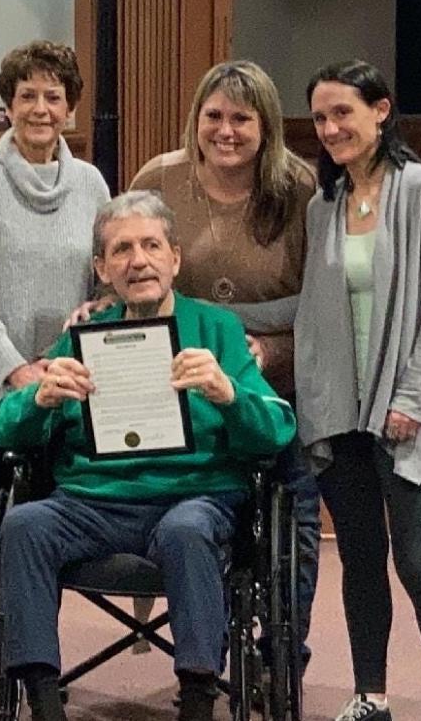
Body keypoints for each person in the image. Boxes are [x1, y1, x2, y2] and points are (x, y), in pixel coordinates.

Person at [0, 191, 296, 721]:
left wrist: (228, 394)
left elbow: (275, 431)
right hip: (91, 503)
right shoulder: (81, 338)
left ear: (175, 258)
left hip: (193, 497)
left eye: (152, 245)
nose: (139, 260)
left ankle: (197, 699)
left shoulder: (218, 331)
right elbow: (2, 428)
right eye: (122, 249)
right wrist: (38, 399)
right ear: (102, 268)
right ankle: (42, 700)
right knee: (25, 525)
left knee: (187, 530)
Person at [294, 59, 421, 721]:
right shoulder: (326, 205)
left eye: (342, 112)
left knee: (418, 562)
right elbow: (310, 306)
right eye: (319, 117)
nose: (330, 128)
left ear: (381, 110)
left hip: (405, 412)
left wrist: (411, 397)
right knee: (361, 561)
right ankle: (370, 695)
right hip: (340, 415)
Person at [128, 60, 322, 672]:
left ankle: (282, 653)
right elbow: (121, 277)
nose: (226, 130)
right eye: (214, 115)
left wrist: (262, 351)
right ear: (197, 119)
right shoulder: (160, 178)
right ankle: (202, 656)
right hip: (175, 386)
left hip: (275, 381)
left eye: (242, 117)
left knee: (299, 509)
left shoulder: (299, 188)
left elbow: (320, 303)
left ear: (265, 126)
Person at [0, 40, 110, 707]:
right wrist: (19, 373)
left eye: (53, 96)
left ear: (70, 108)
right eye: (27, 96)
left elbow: (100, 283)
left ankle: (33, 660)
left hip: (68, 389)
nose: (40, 108)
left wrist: (83, 337)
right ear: (8, 105)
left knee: (43, 531)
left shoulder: (93, 184)